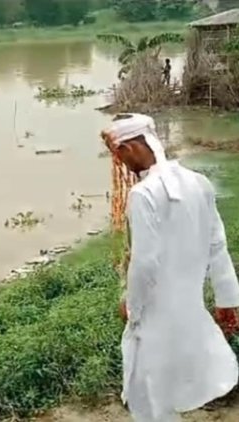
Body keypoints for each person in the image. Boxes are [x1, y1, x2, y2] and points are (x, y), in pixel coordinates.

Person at [101, 113, 239, 421]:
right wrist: (228, 300)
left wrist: (132, 308)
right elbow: (218, 246)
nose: (121, 163)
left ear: (134, 147)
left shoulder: (143, 194)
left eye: (120, 154)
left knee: (148, 391)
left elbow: (144, 263)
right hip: (189, 308)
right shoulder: (198, 182)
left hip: (156, 313)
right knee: (173, 383)